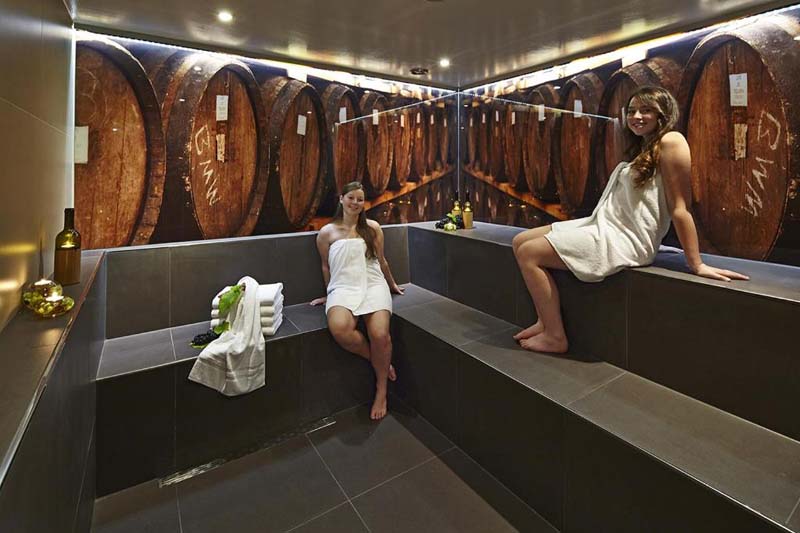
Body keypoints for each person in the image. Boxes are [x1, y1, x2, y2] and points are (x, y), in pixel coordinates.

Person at [511, 86, 749, 354]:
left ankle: (555, 336)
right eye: (632, 110)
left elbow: (680, 208)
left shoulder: (672, 141)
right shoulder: (644, 146)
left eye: (646, 110)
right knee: (520, 240)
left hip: (626, 239)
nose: (636, 116)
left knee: (530, 253)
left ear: (662, 113)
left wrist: (697, 264)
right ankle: (544, 321)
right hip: (605, 225)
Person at [311, 181, 404, 420]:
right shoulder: (326, 233)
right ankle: (380, 361)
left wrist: (392, 285)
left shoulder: (372, 228)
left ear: (364, 203)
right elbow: (326, 266)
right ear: (341, 199)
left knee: (380, 334)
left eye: (360, 199)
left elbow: (382, 261)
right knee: (340, 329)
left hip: (373, 283)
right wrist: (329, 292)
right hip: (343, 286)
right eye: (351, 197)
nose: (355, 202)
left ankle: (381, 390)